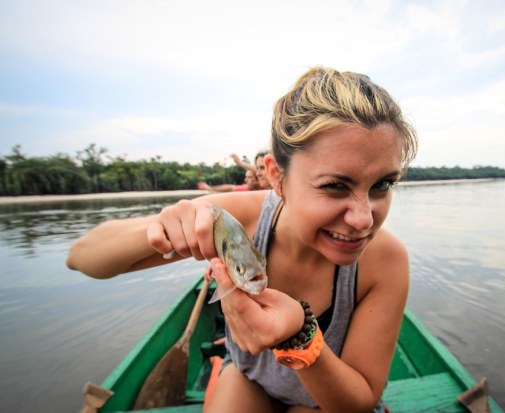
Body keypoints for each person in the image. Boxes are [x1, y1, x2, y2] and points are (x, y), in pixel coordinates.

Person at [66, 66, 417, 413]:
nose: (363, 219)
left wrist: (299, 336)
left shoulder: (385, 260)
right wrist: (164, 226)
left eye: (382, 185)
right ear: (277, 177)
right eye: (334, 186)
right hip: (254, 380)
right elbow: (83, 257)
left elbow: (358, 401)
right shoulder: (235, 221)